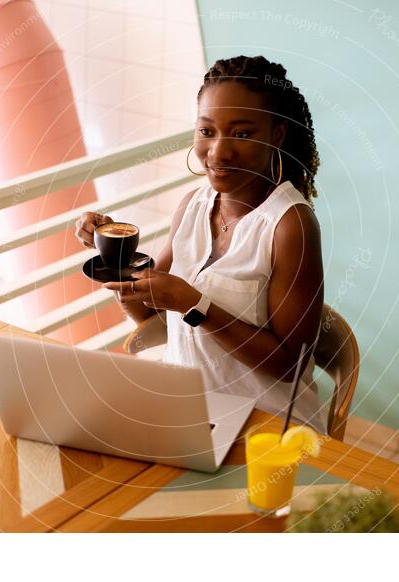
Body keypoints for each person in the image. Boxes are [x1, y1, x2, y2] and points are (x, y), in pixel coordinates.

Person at [75, 55, 326, 432]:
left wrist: (195, 304)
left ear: (276, 134)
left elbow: (289, 365)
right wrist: (114, 252)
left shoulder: (290, 225)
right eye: (207, 131)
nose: (219, 152)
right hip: (189, 414)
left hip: (266, 428)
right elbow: (153, 318)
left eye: (241, 134)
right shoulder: (192, 207)